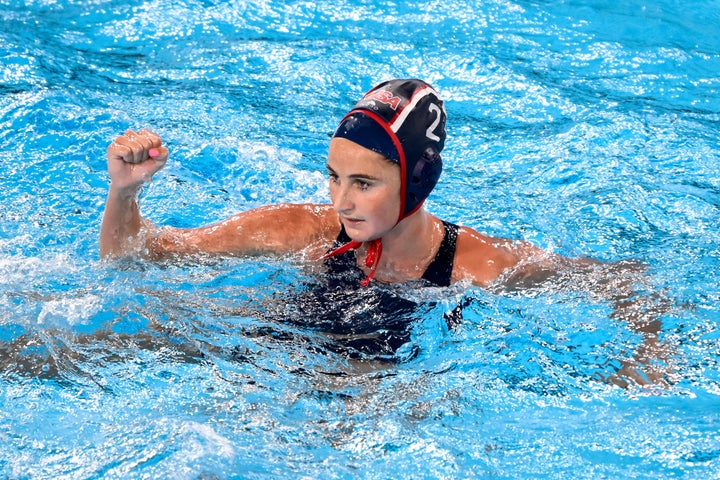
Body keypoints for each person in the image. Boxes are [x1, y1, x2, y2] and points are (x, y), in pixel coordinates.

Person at [100, 78, 670, 385]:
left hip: (371, 404)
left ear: (417, 181)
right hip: (259, 363)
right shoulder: (304, 230)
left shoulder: (477, 264)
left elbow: (627, 280)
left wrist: (647, 354)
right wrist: (124, 193)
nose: (341, 201)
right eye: (333, 177)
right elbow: (137, 258)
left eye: (364, 183)